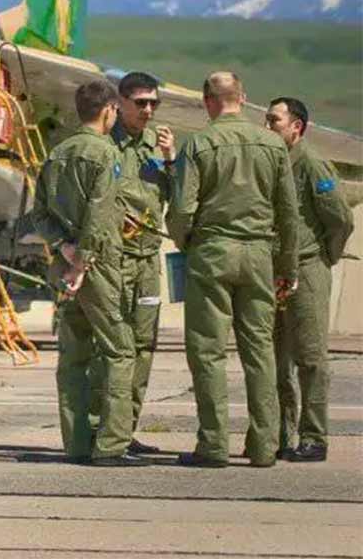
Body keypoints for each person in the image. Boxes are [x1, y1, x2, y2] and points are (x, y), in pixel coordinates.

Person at [167, 72, 298, 468]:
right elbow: (288, 212)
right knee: (259, 350)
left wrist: (186, 243)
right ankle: (264, 446)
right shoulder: (273, 144)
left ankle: (213, 444)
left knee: (208, 351)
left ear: (207, 101)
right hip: (259, 254)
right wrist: (287, 265)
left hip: (212, 252)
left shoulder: (198, 144)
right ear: (243, 97)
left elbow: (182, 209)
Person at [24, 80, 148, 466]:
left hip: (64, 265)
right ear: (109, 110)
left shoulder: (57, 154)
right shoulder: (106, 153)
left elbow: (39, 213)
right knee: (120, 350)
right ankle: (112, 445)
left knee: (73, 355)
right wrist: (84, 261)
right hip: (97, 267)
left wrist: (65, 247)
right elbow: (99, 213)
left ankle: (77, 443)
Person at [89, 72, 175, 455]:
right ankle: (99, 429)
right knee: (110, 349)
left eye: (154, 103)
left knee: (143, 346)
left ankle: (126, 429)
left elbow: (178, 197)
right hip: (114, 262)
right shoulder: (105, 145)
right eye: (141, 103)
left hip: (147, 261)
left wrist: (171, 160)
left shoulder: (155, 148)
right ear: (120, 103)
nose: (148, 110)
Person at [265, 97, 354, 462]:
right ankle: (282, 435)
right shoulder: (273, 161)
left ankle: (314, 437)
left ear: (296, 127)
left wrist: (324, 256)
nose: (268, 127)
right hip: (276, 271)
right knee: (277, 358)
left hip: (306, 268)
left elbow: (341, 219)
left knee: (310, 356)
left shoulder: (312, 164)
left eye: (274, 120)